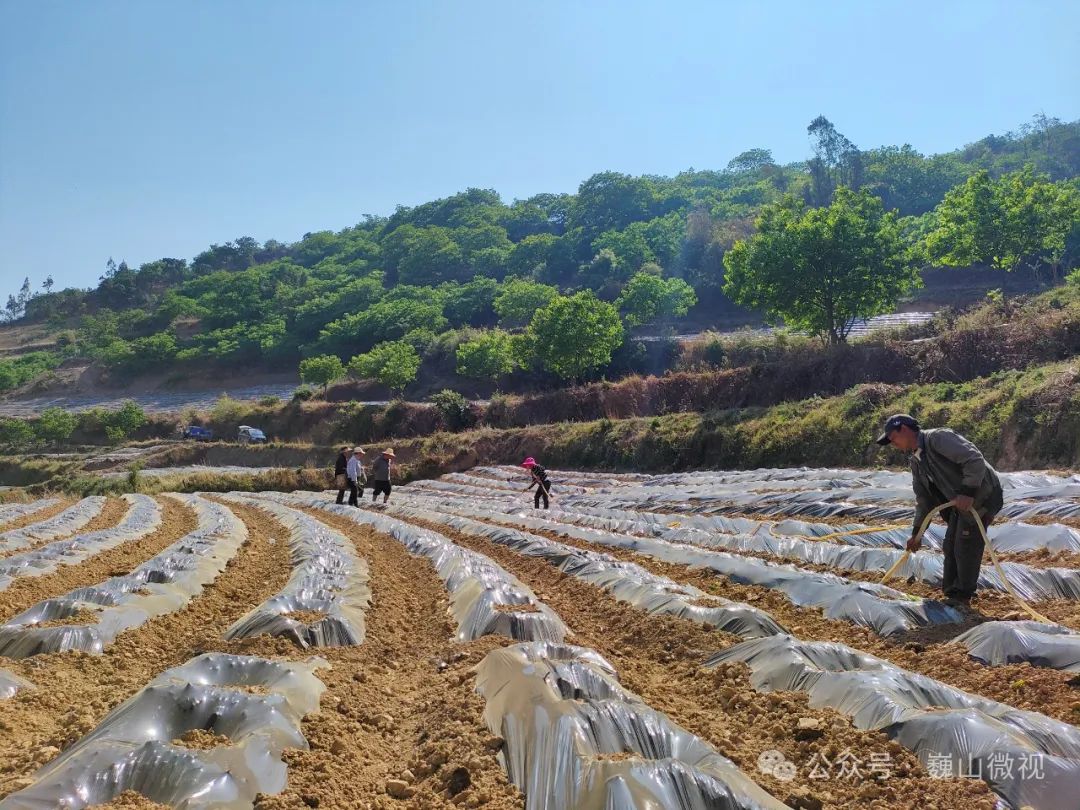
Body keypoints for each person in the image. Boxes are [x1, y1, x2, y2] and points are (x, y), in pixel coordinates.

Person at [876, 414, 1004, 608]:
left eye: (892, 437)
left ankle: (962, 595)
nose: (892, 443)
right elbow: (924, 500)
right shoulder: (916, 462)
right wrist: (917, 533)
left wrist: (968, 491)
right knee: (950, 545)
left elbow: (974, 459)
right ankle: (952, 594)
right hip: (959, 503)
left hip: (983, 495)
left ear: (904, 429)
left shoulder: (938, 439)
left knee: (965, 544)